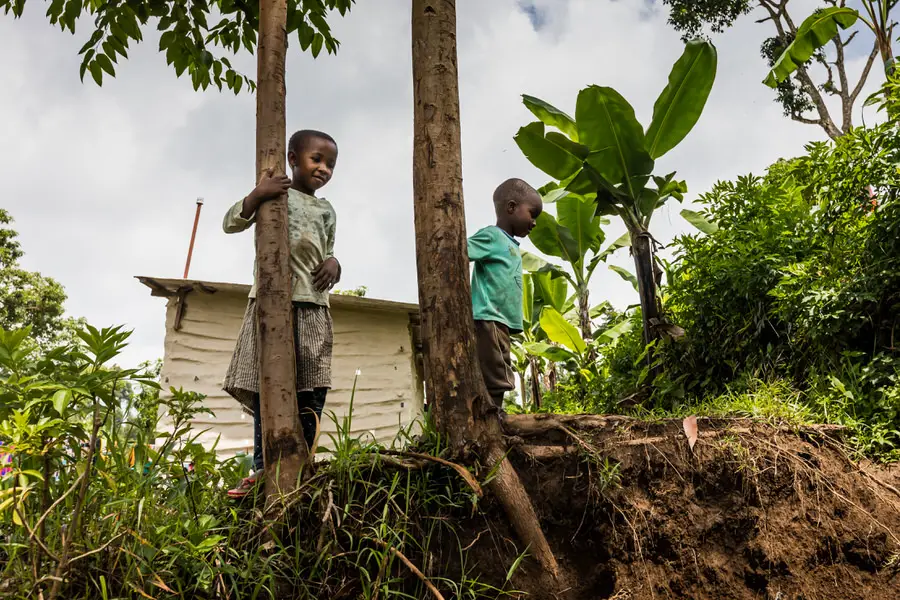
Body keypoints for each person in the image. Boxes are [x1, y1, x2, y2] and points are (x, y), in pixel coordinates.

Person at [222, 129, 341, 499]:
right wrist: (258, 194)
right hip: (270, 305)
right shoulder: (277, 196)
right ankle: (263, 467)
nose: (323, 168)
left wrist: (335, 264)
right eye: (316, 159)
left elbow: (328, 251)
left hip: (312, 306)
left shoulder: (326, 210)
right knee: (266, 387)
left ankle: (301, 461)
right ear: (292, 159)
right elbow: (230, 222)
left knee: (311, 387)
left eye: (330, 164)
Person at [467, 178, 543, 412]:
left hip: (501, 323)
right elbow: (458, 249)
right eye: (532, 214)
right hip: (488, 316)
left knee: (500, 365)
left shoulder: (511, 244)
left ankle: (494, 411)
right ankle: (493, 413)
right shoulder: (492, 236)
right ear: (511, 208)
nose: (534, 223)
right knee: (496, 370)